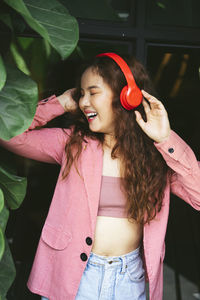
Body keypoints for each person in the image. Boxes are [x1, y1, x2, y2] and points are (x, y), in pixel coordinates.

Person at [0, 53, 200, 300]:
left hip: (130, 279)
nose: (84, 101)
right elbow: (8, 133)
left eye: (92, 92)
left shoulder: (157, 155)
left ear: (126, 97)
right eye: (81, 94)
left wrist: (165, 138)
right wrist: (60, 103)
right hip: (76, 276)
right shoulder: (71, 143)